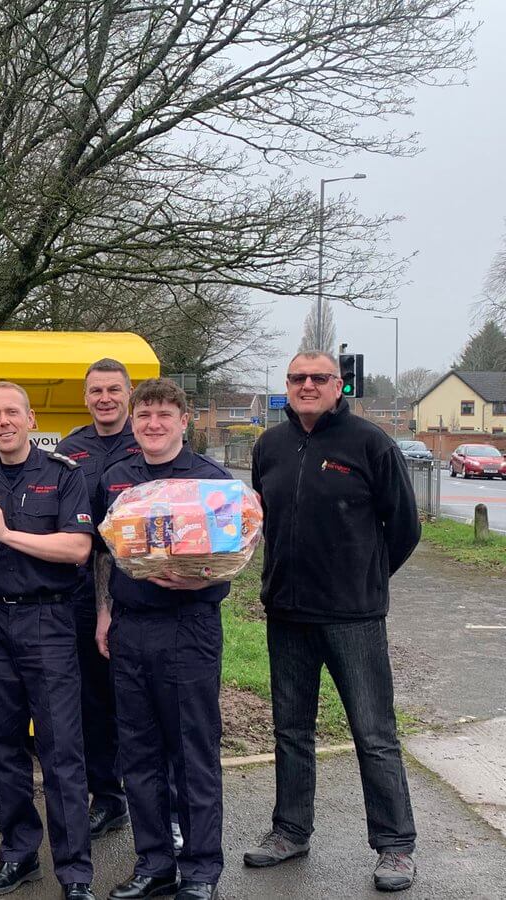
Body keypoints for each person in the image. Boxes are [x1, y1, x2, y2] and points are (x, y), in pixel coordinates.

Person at [243, 351, 421, 893]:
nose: (307, 385)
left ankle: (395, 847)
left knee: (373, 733)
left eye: (319, 377)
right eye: (297, 378)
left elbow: (405, 528)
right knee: (290, 729)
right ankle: (290, 830)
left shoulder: (371, 444)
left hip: (353, 616)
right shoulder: (269, 446)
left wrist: (365, 578)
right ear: (287, 386)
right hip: (288, 613)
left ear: (338, 385)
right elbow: (261, 520)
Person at [0, 382, 96, 900]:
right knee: (1, 747)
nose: (3, 422)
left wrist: (7, 534)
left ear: (30, 419)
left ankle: (75, 871)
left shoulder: (63, 475)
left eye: (11, 412)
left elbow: (77, 547)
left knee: (62, 750)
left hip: (49, 624)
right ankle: (18, 854)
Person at [96, 378, 231, 900]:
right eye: (144, 414)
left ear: (183, 420)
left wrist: (200, 579)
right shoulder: (117, 478)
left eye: (163, 415)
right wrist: (104, 613)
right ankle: (154, 863)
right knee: (139, 752)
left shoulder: (210, 479)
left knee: (192, 751)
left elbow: (233, 554)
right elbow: (105, 554)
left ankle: (199, 870)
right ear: (133, 422)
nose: (153, 424)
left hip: (188, 627)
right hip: (130, 627)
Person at [54, 358, 141, 840]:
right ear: (85, 397)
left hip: (144, 593)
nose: (104, 398)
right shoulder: (70, 451)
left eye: (113, 390)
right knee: (93, 701)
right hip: (84, 595)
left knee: (139, 701)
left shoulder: (148, 441)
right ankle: (107, 797)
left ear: (128, 393)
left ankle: (154, 800)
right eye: (96, 391)